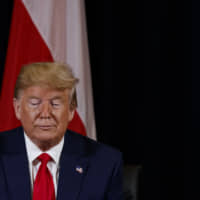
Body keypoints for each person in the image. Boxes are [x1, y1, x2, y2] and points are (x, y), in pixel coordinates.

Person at [0, 62, 123, 200]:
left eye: (55, 104)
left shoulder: (105, 163)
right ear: (17, 108)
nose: (45, 113)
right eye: (35, 104)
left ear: (71, 110)